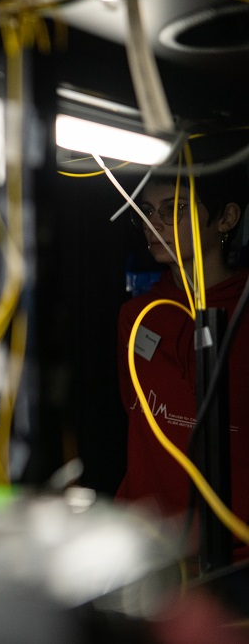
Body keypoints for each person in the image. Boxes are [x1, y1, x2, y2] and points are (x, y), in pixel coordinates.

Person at [116, 166, 248, 562]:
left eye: (173, 209)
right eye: (148, 211)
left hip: (234, 548)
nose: (154, 223)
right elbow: (136, 410)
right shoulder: (137, 315)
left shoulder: (244, 312)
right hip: (145, 539)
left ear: (226, 218)